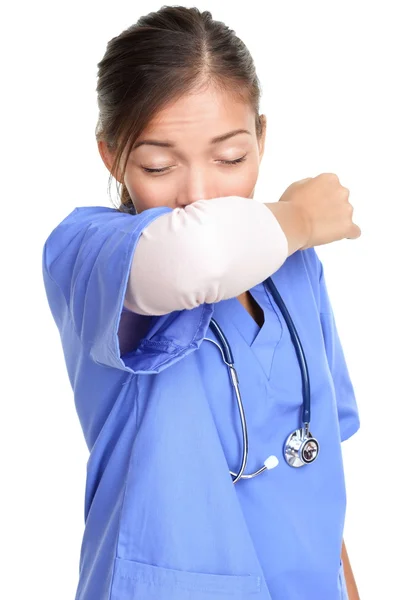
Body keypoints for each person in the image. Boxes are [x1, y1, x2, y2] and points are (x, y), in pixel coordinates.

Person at [42, 6, 362, 600]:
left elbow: (315, 476)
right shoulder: (92, 257)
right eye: (159, 165)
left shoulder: (294, 264)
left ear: (262, 138)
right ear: (112, 155)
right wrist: (300, 213)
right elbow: (198, 255)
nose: (198, 196)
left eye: (231, 158)